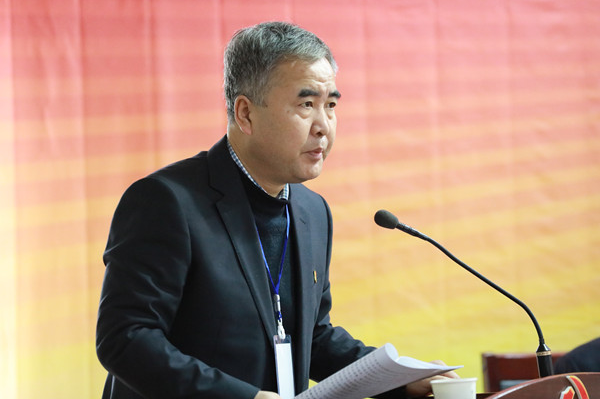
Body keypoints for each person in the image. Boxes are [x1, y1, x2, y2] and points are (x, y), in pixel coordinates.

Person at [96, 21, 458, 399]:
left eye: (331, 105)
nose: (323, 126)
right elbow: (126, 338)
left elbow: (312, 338)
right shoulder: (166, 201)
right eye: (306, 105)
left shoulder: (311, 211)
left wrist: (399, 379)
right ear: (246, 114)